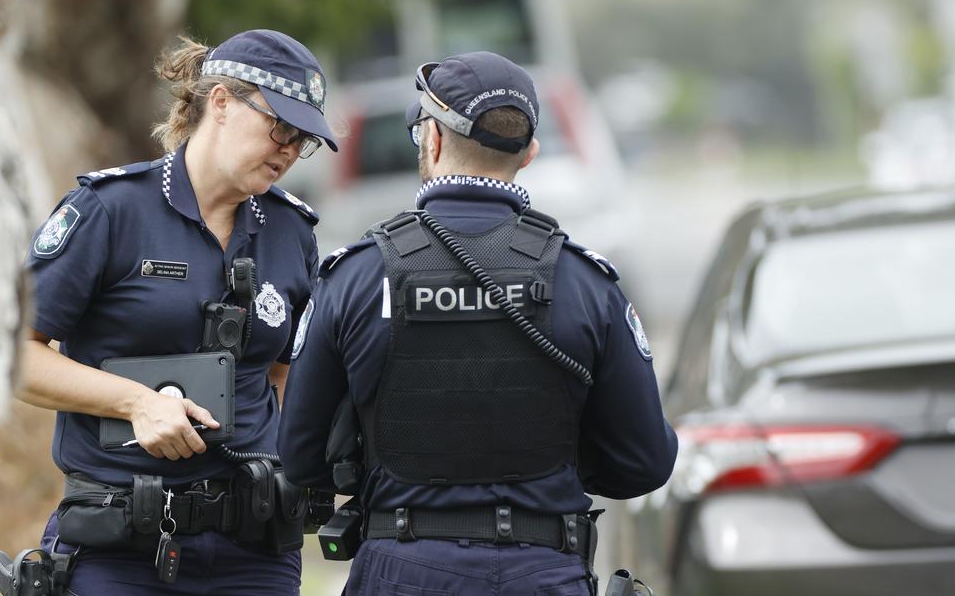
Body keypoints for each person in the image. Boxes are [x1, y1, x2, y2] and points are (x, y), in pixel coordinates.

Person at [279, 51, 677, 595]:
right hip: (544, 572)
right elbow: (644, 464)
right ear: (530, 152)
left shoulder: (355, 277)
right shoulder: (586, 283)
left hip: (401, 572)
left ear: (433, 142)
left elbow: (301, 457)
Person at [18, 29, 336, 595]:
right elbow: (11, 355)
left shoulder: (292, 232)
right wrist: (135, 402)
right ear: (220, 102)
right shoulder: (110, 211)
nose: (289, 148)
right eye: (280, 126)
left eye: (304, 138)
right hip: (123, 549)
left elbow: (284, 375)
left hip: (255, 553)